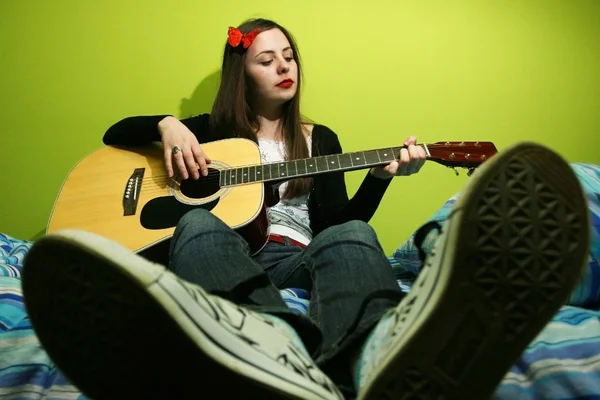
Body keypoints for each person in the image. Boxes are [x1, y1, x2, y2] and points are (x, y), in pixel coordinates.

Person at [22, 18, 590, 400]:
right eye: (266, 59)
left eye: (288, 56)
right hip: (227, 251)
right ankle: (271, 339)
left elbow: (339, 227)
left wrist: (380, 179)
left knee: (351, 243)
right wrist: (168, 126)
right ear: (240, 71)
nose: (283, 66)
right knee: (197, 218)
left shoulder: (320, 140)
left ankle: (371, 355)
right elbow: (117, 132)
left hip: (295, 255)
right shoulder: (209, 134)